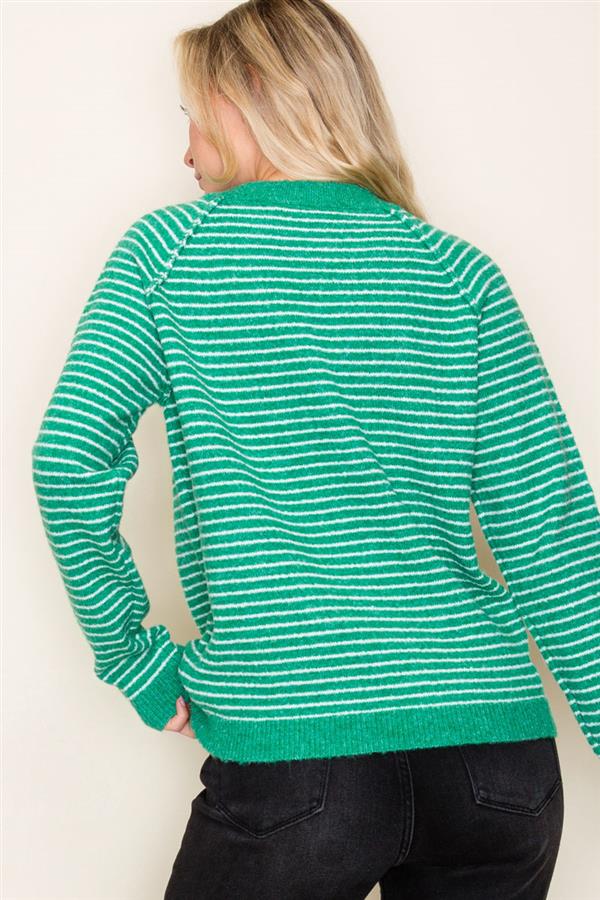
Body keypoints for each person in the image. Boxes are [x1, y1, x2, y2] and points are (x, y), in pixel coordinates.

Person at [31, 1, 599, 898]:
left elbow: (69, 458)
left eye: (193, 117)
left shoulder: (170, 253)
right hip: (497, 767)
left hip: (300, 758)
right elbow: (553, 531)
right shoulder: (459, 273)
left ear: (250, 98)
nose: (186, 152)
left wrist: (133, 659)